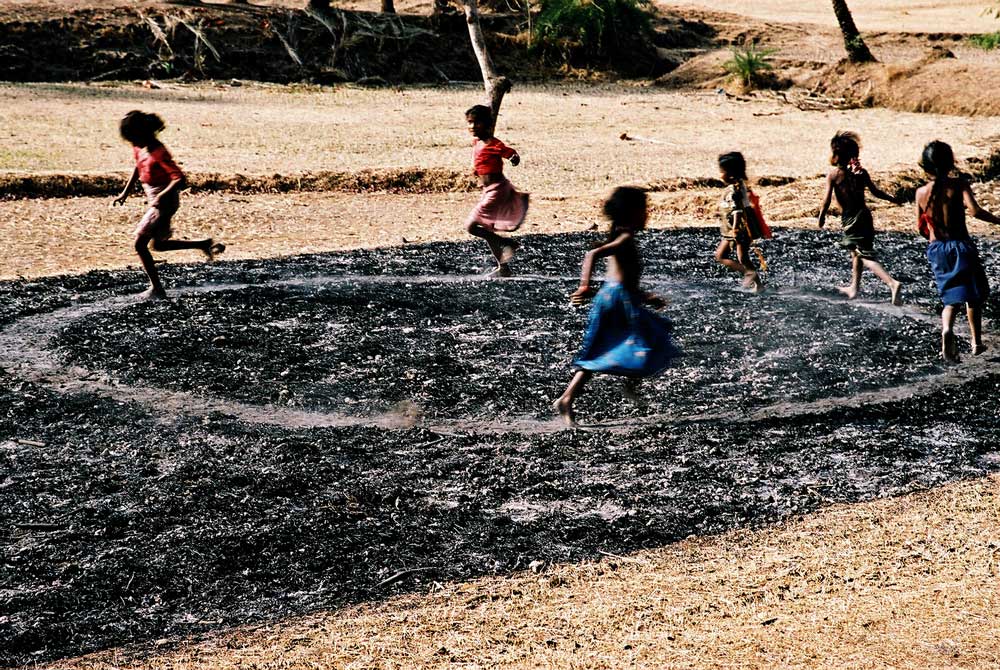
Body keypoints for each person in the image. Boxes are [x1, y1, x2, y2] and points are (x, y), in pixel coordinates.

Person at [553, 187, 679, 427]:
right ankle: (628, 385)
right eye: (644, 210)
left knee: (605, 350)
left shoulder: (621, 236)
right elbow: (592, 254)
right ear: (631, 213)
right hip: (616, 301)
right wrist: (584, 286)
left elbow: (626, 279)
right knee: (651, 341)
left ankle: (570, 398)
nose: (647, 215)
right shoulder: (625, 238)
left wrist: (646, 297)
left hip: (618, 299)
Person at [112, 110, 224, 300]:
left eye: (133, 139)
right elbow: (138, 166)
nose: (132, 144)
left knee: (140, 243)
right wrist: (125, 192)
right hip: (155, 200)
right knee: (159, 245)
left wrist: (161, 196)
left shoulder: (158, 152)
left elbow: (179, 178)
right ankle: (203, 244)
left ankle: (157, 289)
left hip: (165, 202)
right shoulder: (141, 147)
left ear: (143, 134)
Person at [915, 140, 1000, 361]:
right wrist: (998, 221)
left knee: (951, 298)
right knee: (973, 295)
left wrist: (934, 242)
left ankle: (946, 329)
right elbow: (975, 211)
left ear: (924, 166)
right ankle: (976, 342)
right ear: (950, 162)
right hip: (961, 246)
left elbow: (920, 226)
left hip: (937, 249)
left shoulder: (920, 193)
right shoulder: (959, 185)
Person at [817, 131, 902, 305]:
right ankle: (854, 288)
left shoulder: (833, 175)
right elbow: (876, 191)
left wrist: (821, 217)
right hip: (865, 216)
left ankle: (891, 283)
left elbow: (825, 201)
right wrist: (892, 198)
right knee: (857, 252)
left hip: (851, 219)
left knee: (864, 256)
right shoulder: (861, 173)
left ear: (836, 155)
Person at [464, 104, 529, 278]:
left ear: (487, 124)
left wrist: (514, 157)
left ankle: (507, 243)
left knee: (470, 226)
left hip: (497, 190)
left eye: (477, 123)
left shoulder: (493, 144)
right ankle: (504, 267)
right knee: (487, 231)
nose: (472, 127)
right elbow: (478, 161)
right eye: (470, 123)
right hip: (489, 190)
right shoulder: (477, 143)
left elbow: (509, 152)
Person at [716, 151, 764, 293]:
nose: (720, 175)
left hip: (739, 228)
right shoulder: (738, 186)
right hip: (733, 229)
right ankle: (757, 284)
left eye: (721, 171)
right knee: (735, 256)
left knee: (735, 256)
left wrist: (736, 229)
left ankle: (749, 273)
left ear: (729, 174)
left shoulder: (734, 191)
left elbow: (737, 210)